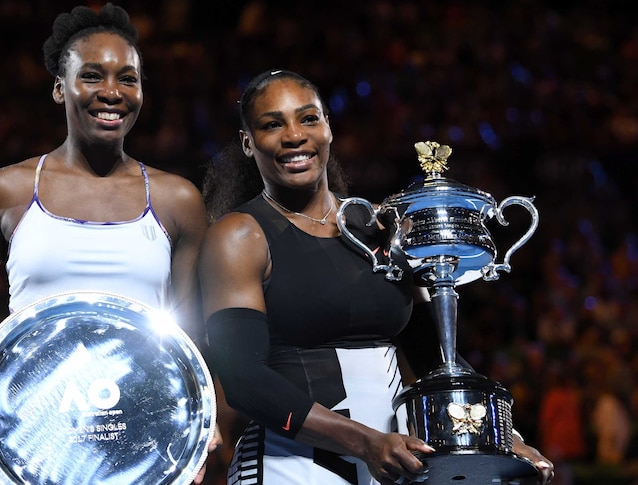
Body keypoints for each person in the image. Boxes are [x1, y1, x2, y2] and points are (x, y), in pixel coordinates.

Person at [197, 69, 554, 485]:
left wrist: (500, 435)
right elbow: (244, 380)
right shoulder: (239, 235)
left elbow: (435, 353)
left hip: (390, 464)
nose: (294, 135)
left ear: (328, 127)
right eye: (272, 124)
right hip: (289, 466)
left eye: (308, 118)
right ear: (248, 142)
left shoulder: (383, 226)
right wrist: (364, 442)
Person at [0, 3, 219, 484]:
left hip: (137, 448)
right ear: (60, 88)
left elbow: (194, 339)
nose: (112, 92)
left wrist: (200, 423)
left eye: (128, 78)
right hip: (28, 443)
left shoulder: (176, 199)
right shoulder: (9, 190)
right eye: (92, 76)